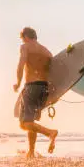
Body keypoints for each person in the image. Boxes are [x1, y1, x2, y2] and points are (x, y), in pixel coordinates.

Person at [14, 27, 58, 158]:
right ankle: (31, 151)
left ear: (26, 37)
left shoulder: (25, 47)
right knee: (31, 120)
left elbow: (21, 65)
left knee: (24, 123)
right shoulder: (47, 52)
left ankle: (50, 133)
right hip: (44, 88)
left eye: (22, 38)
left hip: (31, 86)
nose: (22, 41)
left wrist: (17, 83)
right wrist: (54, 94)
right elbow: (54, 73)